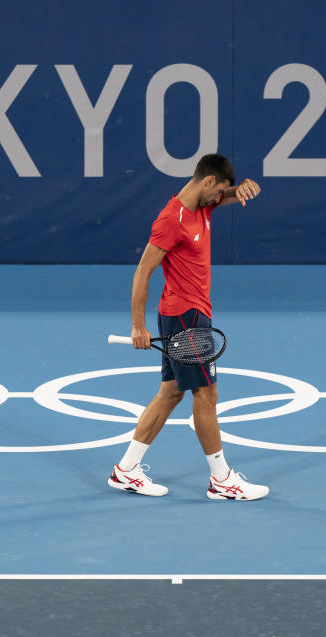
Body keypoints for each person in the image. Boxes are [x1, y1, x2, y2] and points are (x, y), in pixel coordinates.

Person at [107, 153, 268, 500]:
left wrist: (240, 189)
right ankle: (221, 480)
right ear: (208, 181)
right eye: (219, 191)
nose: (219, 199)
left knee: (170, 392)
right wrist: (138, 325)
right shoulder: (171, 219)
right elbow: (142, 272)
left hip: (188, 314)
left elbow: (224, 197)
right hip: (185, 318)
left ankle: (126, 470)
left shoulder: (203, 207)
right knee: (206, 394)